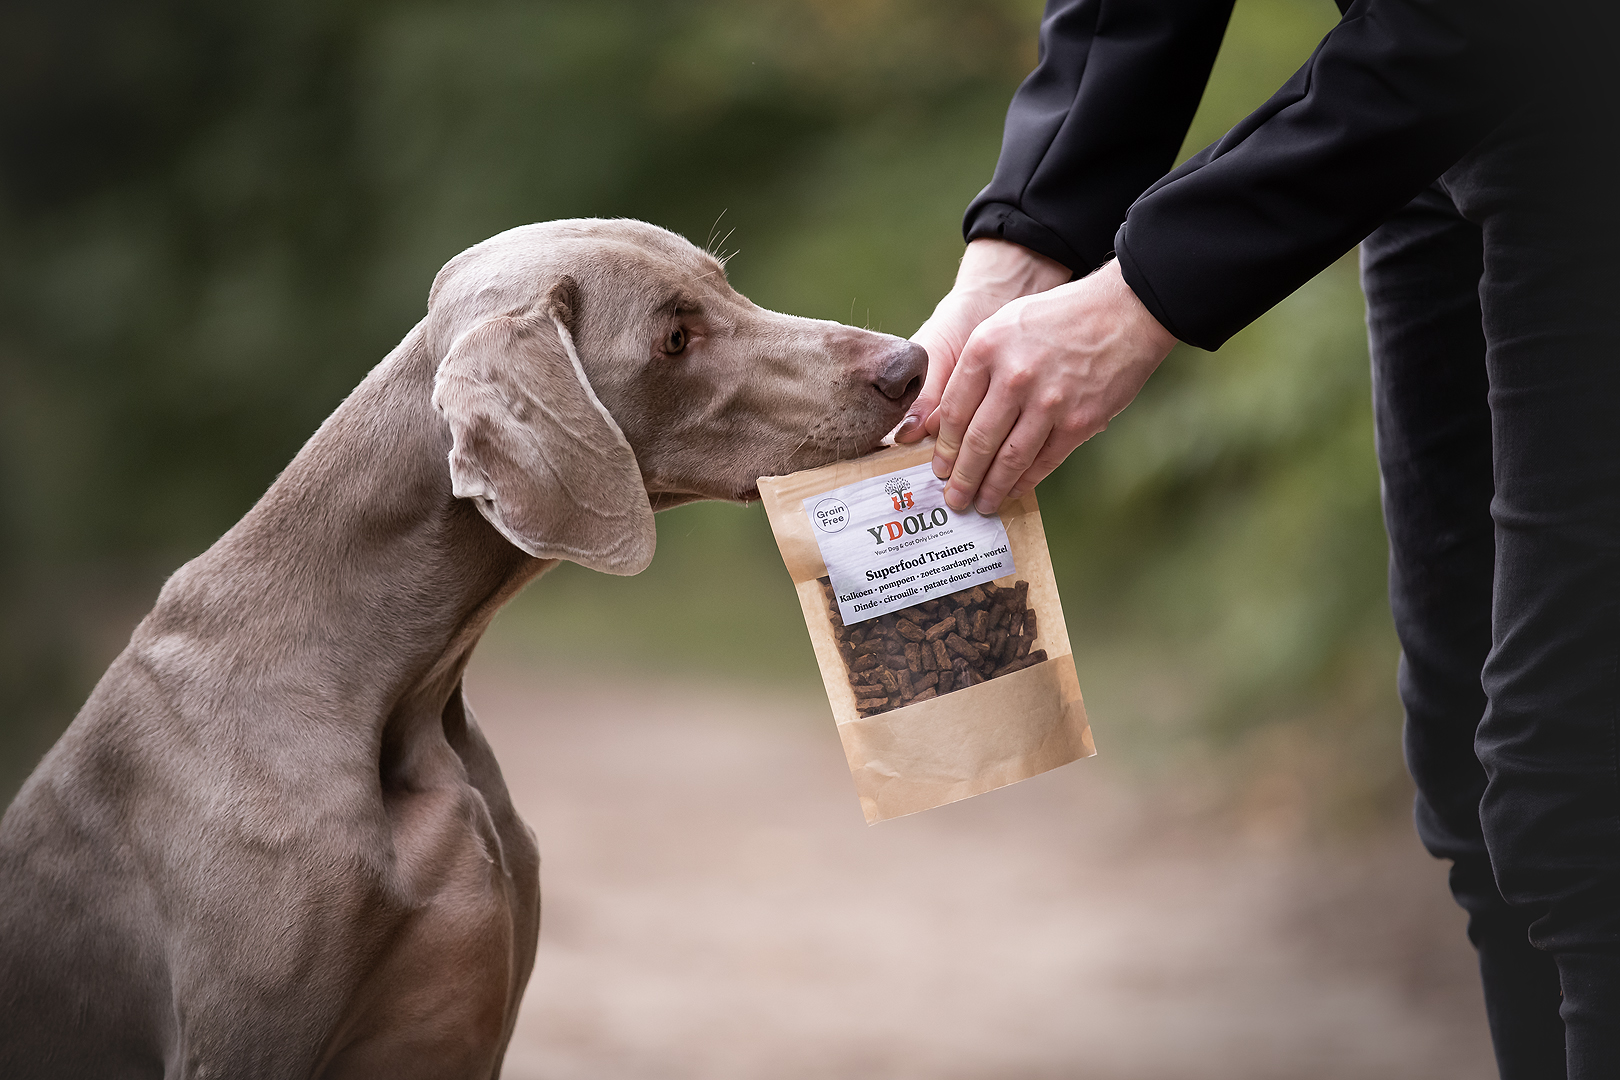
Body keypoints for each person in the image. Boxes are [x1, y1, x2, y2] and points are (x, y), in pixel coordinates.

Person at [895, 0, 1620, 1074]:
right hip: (1437, 112)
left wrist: (1142, 293)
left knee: (1578, 773)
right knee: (1471, 775)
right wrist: (1023, 241)